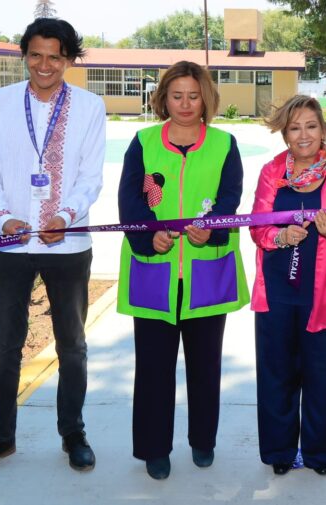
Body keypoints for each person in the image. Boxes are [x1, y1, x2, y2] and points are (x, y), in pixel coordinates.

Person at [0, 18, 105, 477]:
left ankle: (73, 433)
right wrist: (4, 219)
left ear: (68, 60)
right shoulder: (0, 103)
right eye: (36, 55)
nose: (45, 64)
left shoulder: (89, 107)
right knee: (5, 346)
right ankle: (0, 438)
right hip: (10, 245)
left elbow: (90, 174)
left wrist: (67, 215)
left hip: (68, 243)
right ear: (24, 55)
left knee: (73, 345)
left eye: (55, 56)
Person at [117, 60, 249, 480]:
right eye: (177, 95)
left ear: (206, 98)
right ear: (163, 99)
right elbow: (130, 203)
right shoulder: (143, 142)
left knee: (205, 365)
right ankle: (155, 448)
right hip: (154, 272)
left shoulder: (225, 145)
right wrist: (147, 238)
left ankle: (202, 441)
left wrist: (210, 234)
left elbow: (230, 201)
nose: (186, 104)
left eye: (194, 95)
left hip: (206, 274)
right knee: (153, 367)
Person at [250, 95, 326, 476]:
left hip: (324, 296)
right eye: (294, 127)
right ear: (284, 134)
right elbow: (257, 226)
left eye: (311, 126)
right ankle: (280, 453)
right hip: (276, 293)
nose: (303, 135)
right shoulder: (270, 171)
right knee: (276, 376)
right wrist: (279, 238)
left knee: (321, 378)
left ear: (324, 130)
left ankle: (318, 455)